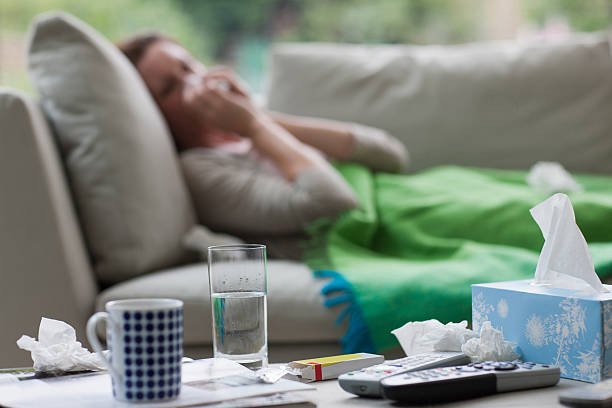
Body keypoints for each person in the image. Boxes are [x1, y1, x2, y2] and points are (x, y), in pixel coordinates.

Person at [118, 33, 408, 258]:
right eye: (170, 88)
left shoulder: (256, 129)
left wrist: (258, 119)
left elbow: (392, 155)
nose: (193, 81)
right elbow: (334, 205)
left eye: (188, 66)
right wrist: (254, 126)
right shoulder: (199, 170)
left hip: (406, 200)